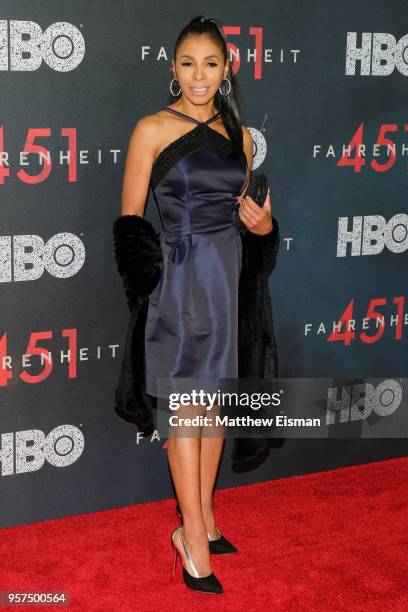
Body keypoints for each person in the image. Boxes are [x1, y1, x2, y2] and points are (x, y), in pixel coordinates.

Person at [120, 16, 273, 595]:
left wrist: (265, 225)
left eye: (211, 63)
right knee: (188, 411)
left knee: (213, 408)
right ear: (172, 68)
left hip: (227, 276)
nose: (199, 75)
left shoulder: (241, 135)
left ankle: (204, 517)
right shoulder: (152, 129)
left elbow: (253, 211)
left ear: (228, 69)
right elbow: (131, 223)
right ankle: (190, 537)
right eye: (188, 63)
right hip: (179, 281)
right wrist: (147, 293)